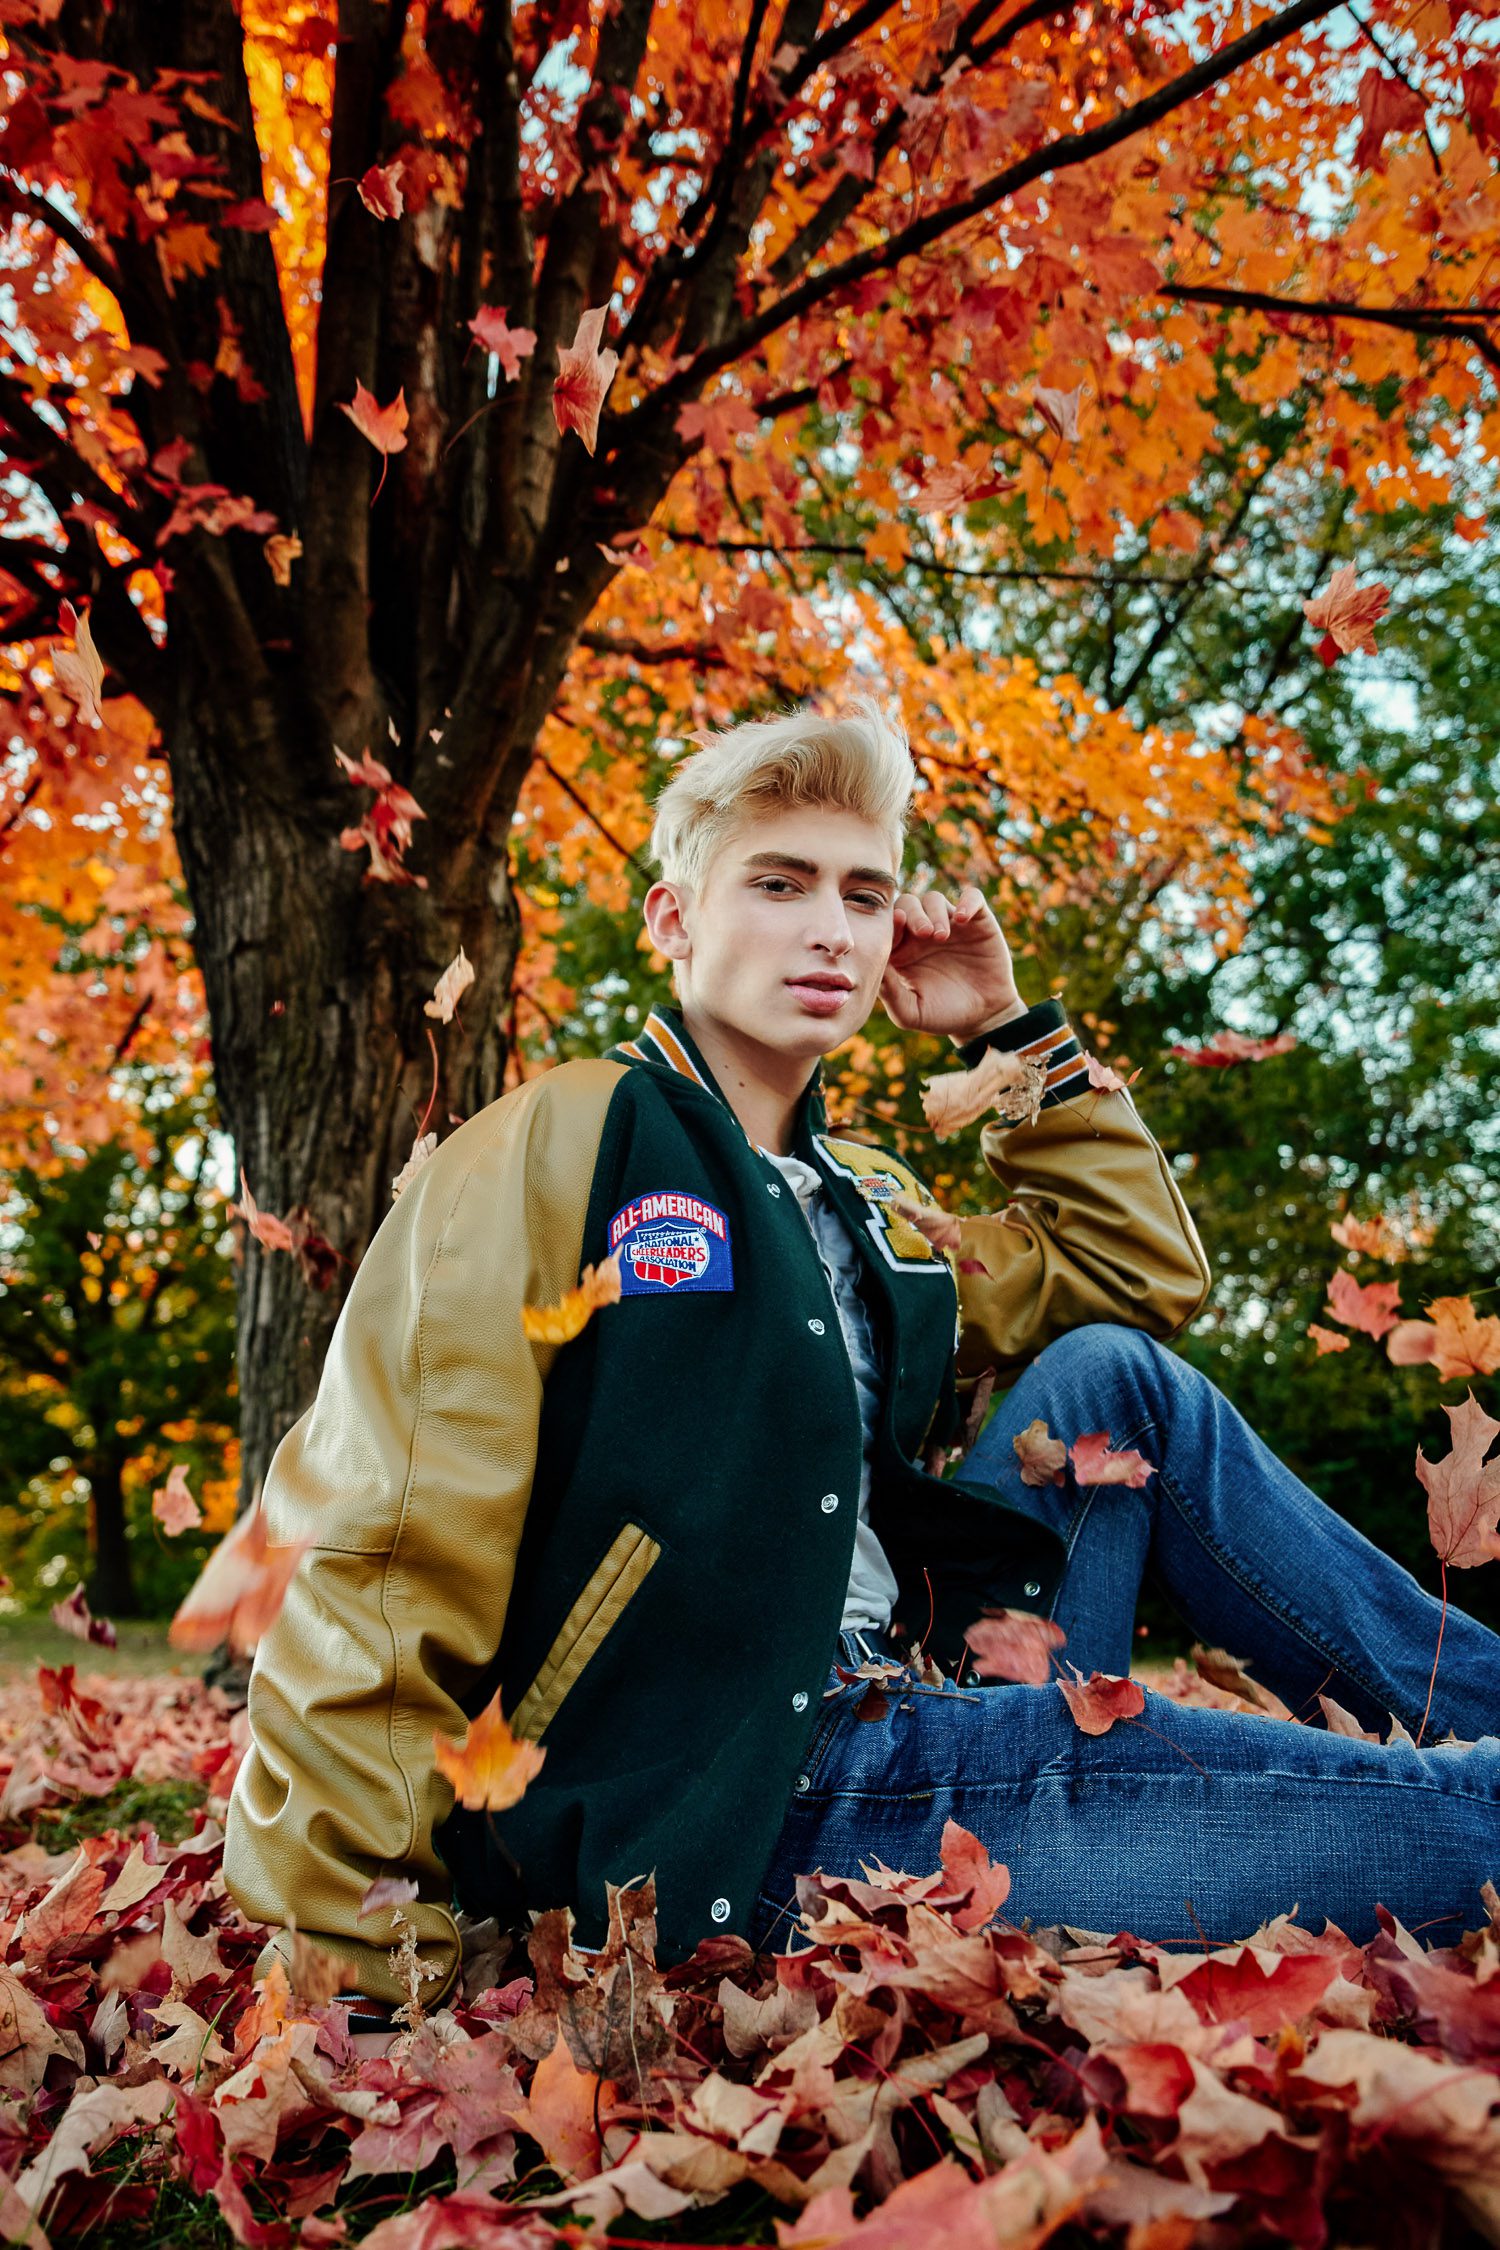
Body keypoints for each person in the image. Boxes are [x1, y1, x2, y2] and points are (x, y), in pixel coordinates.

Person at [223, 696, 1500, 2013]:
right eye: (778, 883)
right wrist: (361, 1952)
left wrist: (1007, 1037)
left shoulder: (874, 1203)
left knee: (1112, 1376)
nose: (830, 925)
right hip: (748, 1792)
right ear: (674, 919)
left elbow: (1141, 1273)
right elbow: (380, 1550)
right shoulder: (564, 1142)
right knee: (1478, 1818)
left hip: (931, 1688)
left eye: (863, 892)